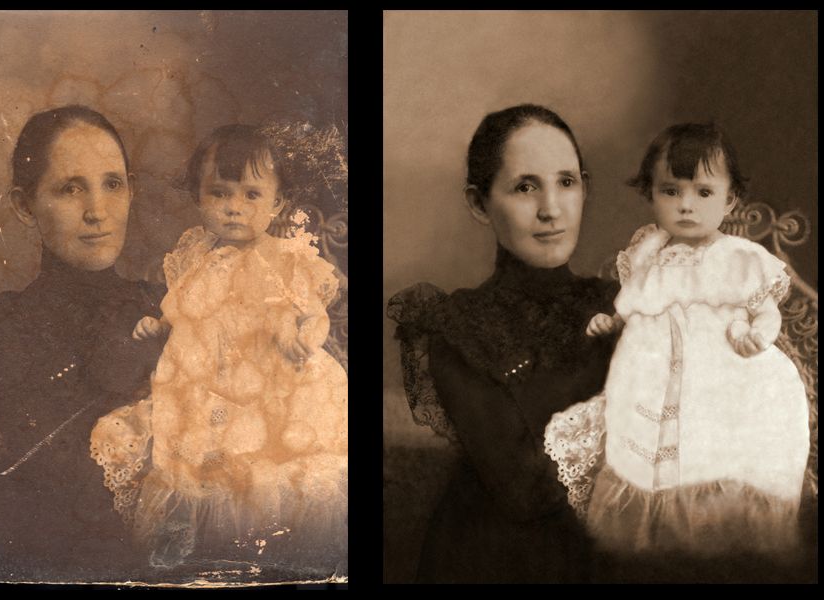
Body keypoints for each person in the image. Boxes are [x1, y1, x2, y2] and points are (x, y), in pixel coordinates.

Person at [546, 122, 810, 579]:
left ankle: (720, 538)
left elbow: (766, 312)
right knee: (642, 445)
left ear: (730, 201)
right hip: (651, 368)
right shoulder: (648, 251)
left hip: (721, 369)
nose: (686, 205)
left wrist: (758, 335)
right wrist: (612, 321)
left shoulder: (740, 257)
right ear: (651, 195)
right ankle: (651, 544)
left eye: (703, 193)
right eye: (671, 191)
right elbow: (632, 306)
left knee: (717, 441)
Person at [90, 124, 348, 571]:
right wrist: (159, 324)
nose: (234, 208)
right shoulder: (196, 255)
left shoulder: (285, 260)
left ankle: (261, 542)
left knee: (258, 464)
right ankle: (188, 531)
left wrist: (304, 338)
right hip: (199, 378)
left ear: (277, 203)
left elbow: (316, 314)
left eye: (251, 195)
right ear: (199, 198)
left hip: (267, 382)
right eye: (220, 194)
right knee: (192, 458)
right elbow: (184, 307)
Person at [387, 104, 618, 583]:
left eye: (567, 182)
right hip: (491, 558)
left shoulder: (620, 306)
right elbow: (525, 488)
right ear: (478, 204)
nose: (551, 208)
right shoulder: (456, 325)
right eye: (525, 186)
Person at [0, 105, 165, 580]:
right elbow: (72, 490)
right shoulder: (6, 329)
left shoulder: (168, 307)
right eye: (70, 188)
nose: (97, 212)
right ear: (25, 205)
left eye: (113, 184)